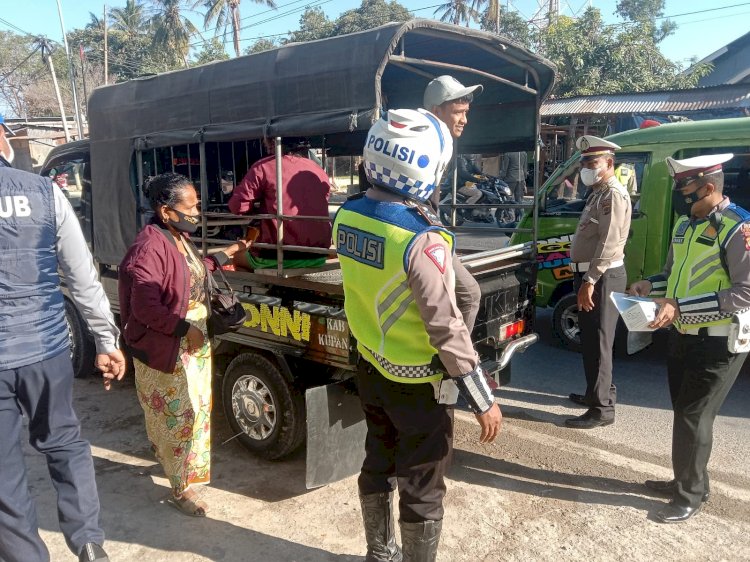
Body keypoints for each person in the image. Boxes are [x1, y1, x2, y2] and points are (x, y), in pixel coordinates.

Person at [334, 108, 502, 561]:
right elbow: (445, 325)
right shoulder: (422, 238)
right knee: (423, 484)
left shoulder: (347, 215)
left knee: (377, 461)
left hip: (370, 366)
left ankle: (379, 553)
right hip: (418, 386)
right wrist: (482, 396)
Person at [0, 125, 125, 562]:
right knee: (64, 441)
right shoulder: (43, 193)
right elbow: (82, 275)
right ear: (3, 140)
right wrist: (106, 339)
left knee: (4, 471)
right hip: (48, 349)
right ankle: (89, 543)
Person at [119, 172, 251, 517]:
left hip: (190, 344)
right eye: (190, 207)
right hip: (169, 347)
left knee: (196, 412)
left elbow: (193, 270)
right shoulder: (149, 247)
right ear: (166, 211)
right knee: (180, 417)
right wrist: (183, 328)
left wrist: (228, 253)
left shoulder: (176, 237)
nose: (197, 213)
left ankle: (179, 468)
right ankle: (181, 490)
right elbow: (144, 306)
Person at [628, 153, 750, 523]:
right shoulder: (686, 225)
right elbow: (673, 275)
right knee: (685, 413)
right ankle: (689, 479)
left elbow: (744, 293)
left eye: (689, 193)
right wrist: (651, 284)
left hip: (719, 340)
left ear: (709, 188)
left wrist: (678, 306)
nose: (683, 200)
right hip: (683, 335)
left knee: (693, 416)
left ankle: (690, 495)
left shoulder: (739, 228)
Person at [566, 135, 632, 429]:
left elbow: (609, 243)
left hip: (601, 278)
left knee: (600, 343)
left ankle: (602, 409)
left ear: (609, 163)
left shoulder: (613, 195)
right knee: (591, 340)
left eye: (592, 162)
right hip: (591, 275)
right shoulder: (598, 193)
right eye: (583, 163)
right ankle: (597, 394)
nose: (586, 168)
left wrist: (589, 281)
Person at [424, 75, 484, 333]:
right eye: (458, 112)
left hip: (427, 233)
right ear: (437, 111)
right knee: (469, 294)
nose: (464, 120)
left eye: (466, 112)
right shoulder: (425, 144)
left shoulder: (439, 143)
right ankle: (458, 364)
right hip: (418, 236)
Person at [228, 137, 332, 270]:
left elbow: (237, 206)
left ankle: (265, 288)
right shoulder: (317, 169)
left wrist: (255, 208)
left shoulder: (264, 166)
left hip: (277, 255)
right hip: (318, 255)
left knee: (237, 258)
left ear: (272, 142)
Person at [499, 151, 528, 220]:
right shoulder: (524, 153)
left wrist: (501, 177)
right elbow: (525, 168)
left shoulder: (508, 154)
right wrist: (524, 178)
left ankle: (508, 216)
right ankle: (519, 216)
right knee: (519, 199)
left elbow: (505, 168)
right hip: (521, 178)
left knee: (508, 197)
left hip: (510, 178)